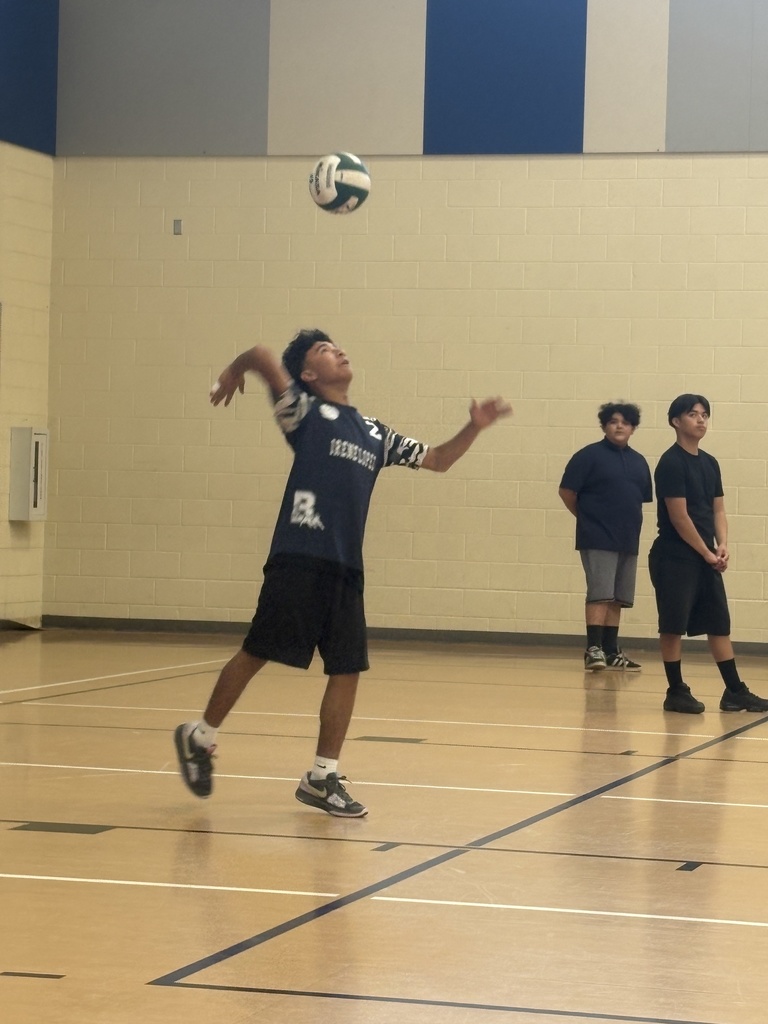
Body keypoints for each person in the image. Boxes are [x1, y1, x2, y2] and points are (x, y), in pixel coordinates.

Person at [174, 329, 512, 816]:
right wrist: (233, 371)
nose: (339, 350)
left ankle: (321, 775)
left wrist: (473, 427)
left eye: (336, 346)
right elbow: (264, 355)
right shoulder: (302, 412)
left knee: (347, 667)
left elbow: (437, 460)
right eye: (324, 350)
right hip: (298, 555)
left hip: (345, 565)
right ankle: (200, 736)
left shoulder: (375, 431)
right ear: (308, 374)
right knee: (257, 651)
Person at [649, 394, 768, 714]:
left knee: (718, 623)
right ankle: (675, 691)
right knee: (672, 625)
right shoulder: (671, 462)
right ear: (676, 421)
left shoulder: (710, 462)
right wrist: (705, 552)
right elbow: (679, 516)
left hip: (705, 556)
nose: (701, 420)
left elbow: (718, 509)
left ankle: (734, 691)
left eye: (704, 414)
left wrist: (722, 545)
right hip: (675, 555)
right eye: (693, 414)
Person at [559, 402, 652, 672]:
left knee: (618, 596)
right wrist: (588, 519)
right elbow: (567, 492)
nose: (619, 426)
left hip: (628, 538)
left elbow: (640, 498)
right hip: (597, 537)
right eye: (613, 421)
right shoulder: (588, 456)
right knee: (600, 593)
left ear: (633, 428)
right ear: (604, 426)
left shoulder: (639, 462)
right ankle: (593, 649)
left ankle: (611, 650)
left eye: (625, 422)